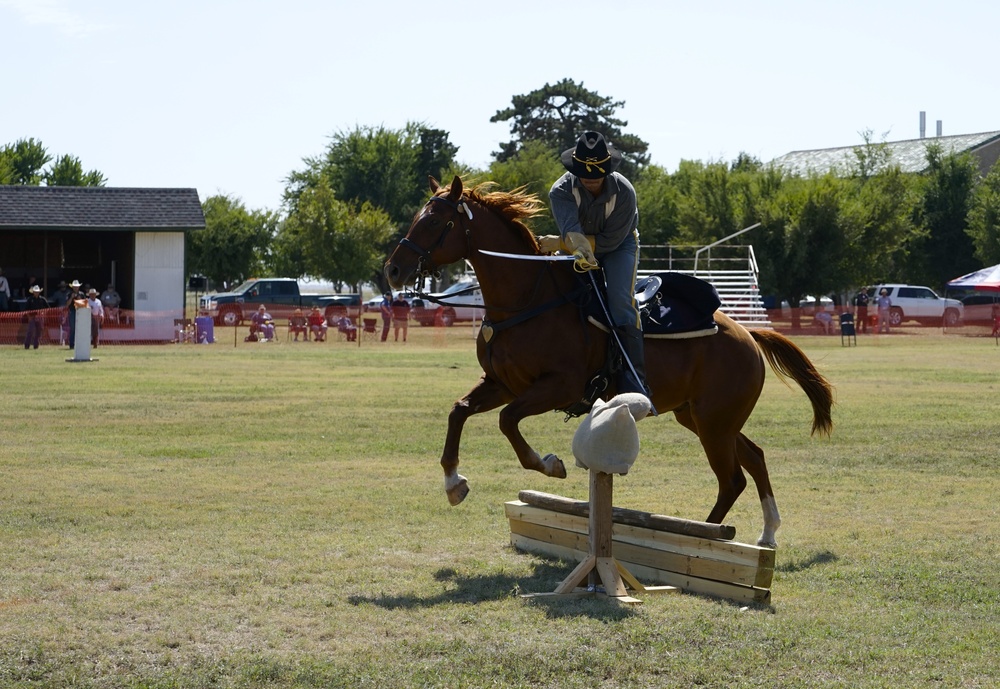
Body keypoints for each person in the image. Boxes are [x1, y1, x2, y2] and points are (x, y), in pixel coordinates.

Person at [542, 131, 653, 403]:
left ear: (609, 169)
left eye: (597, 174)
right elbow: (572, 231)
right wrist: (570, 244)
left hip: (619, 247)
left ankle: (635, 380)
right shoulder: (560, 191)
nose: (591, 179)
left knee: (619, 301)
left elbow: (609, 241)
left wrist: (559, 243)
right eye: (584, 174)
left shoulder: (625, 192)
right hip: (577, 243)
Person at [24, 284, 48, 349]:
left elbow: (48, 308)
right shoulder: (30, 299)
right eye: (35, 291)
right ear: (33, 292)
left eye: (37, 292)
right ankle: (27, 345)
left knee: (39, 331)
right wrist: (29, 317)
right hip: (32, 317)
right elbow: (26, 309)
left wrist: (44, 314)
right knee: (30, 331)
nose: (36, 293)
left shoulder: (42, 299)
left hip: (40, 317)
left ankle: (36, 345)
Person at [66, 280, 85, 348]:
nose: (76, 288)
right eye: (75, 287)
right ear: (72, 287)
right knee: (73, 328)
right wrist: (71, 297)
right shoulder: (69, 294)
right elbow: (67, 304)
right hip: (72, 311)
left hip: (80, 311)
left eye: (77, 287)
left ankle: (80, 344)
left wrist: (79, 300)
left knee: (80, 328)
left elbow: (84, 304)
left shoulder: (82, 294)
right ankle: (72, 344)